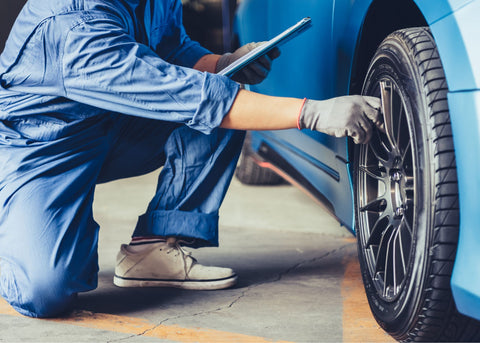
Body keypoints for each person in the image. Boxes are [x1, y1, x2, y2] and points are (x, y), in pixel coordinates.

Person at [0, 0, 381, 318]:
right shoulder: (73, 25)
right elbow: (194, 98)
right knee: (45, 292)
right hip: (43, 145)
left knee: (221, 92)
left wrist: (222, 62)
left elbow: (171, 51)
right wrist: (311, 113)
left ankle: (152, 250)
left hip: (114, 123)